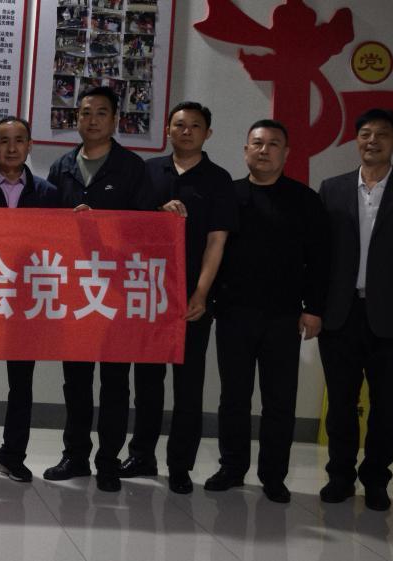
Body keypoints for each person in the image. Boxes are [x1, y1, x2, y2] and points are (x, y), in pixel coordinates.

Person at [318, 109, 393, 511]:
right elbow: (320, 255)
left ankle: (376, 480)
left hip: (392, 315)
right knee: (341, 402)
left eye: (382, 134)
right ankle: (340, 477)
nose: (373, 141)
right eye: (365, 134)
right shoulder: (332, 189)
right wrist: (314, 306)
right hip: (340, 313)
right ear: (356, 140)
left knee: (385, 404)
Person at [205, 119, 328, 503]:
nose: (264, 150)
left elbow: (320, 260)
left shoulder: (305, 200)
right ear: (245, 150)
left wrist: (314, 309)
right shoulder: (228, 194)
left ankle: (274, 475)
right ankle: (231, 467)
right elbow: (211, 251)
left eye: (273, 144)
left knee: (279, 400)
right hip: (233, 313)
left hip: (283, 316)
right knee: (234, 397)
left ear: (286, 153)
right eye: (257, 143)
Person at [120, 102, 235, 494]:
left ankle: (181, 465)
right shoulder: (148, 171)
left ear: (207, 134)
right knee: (147, 383)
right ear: (167, 129)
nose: (186, 131)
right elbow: (130, 228)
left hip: (192, 299)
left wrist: (201, 292)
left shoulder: (218, 179)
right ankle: (141, 455)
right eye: (179, 125)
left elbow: (217, 241)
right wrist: (158, 212)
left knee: (188, 386)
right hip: (149, 292)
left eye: (195, 126)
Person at [44, 86, 153, 492]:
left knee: (114, 382)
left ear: (115, 119)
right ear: (76, 119)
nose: (92, 120)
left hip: (116, 291)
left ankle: (108, 461)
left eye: (101, 113)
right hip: (74, 290)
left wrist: (100, 224)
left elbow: (143, 229)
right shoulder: (62, 166)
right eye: (85, 113)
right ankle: (75, 455)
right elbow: (47, 227)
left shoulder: (132, 167)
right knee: (75, 381)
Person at [0, 117, 63, 483]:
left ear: (30, 146)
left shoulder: (48, 194)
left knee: (21, 384)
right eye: (4, 141)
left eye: (20, 140)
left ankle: (14, 457)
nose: (12, 147)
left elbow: (60, 246)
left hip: (27, 304)